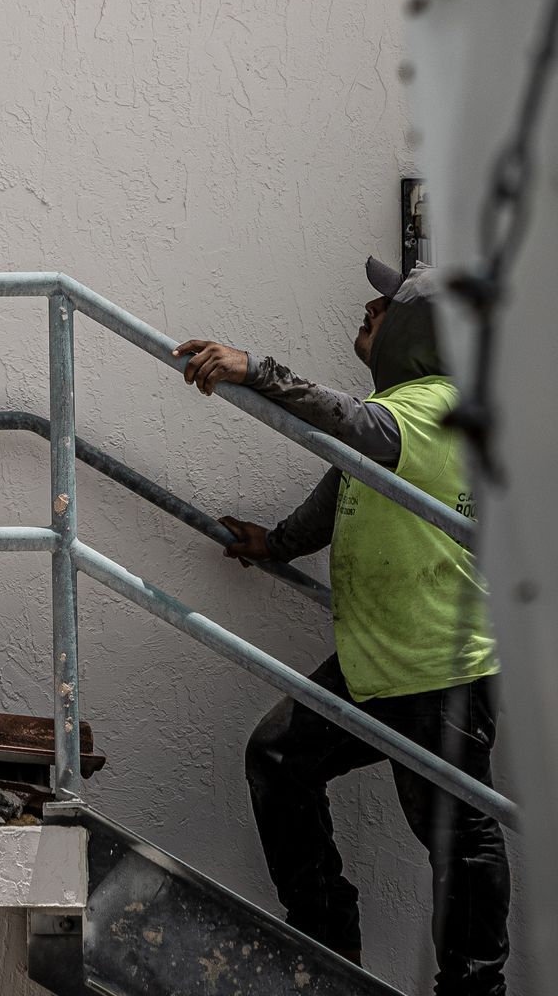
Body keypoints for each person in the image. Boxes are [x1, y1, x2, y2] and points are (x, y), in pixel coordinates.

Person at [175, 260, 508, 996]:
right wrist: (277, 544)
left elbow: (351, 429)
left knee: (457, 835)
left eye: (387, 302)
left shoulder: (439, 405)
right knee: (279, 758)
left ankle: (476, 987)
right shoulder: (398, 414)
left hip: (440, 672)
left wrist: (252, 369)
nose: (368, 304)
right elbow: (344, 481)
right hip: (376, 665)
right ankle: (330, 951)